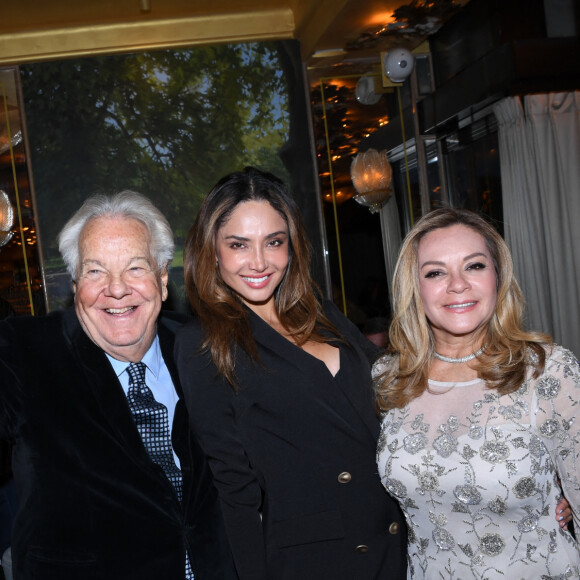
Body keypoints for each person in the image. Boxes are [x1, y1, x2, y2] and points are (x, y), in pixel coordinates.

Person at [175, 167, 407, 580]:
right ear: (212, 250)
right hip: (315, 562)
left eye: (274, 242)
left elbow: (395, 404)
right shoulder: (205, 343)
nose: (259, 262)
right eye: (238, 244)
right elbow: (234, 487)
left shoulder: (321, 313)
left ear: (291, 246)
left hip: (395, 540)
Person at [0, 191, 236, 580]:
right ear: (75, 285)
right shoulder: (26, 352)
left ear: (162, 279)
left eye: (135, 268)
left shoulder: (207, 349)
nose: (116, 288)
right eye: (95, 271)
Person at [374, 207, 580, 579]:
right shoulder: (389, 380)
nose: (458, 284)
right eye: (436, 272)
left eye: (474, 266)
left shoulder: (547, 372)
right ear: (414, 288)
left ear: (498, 277)